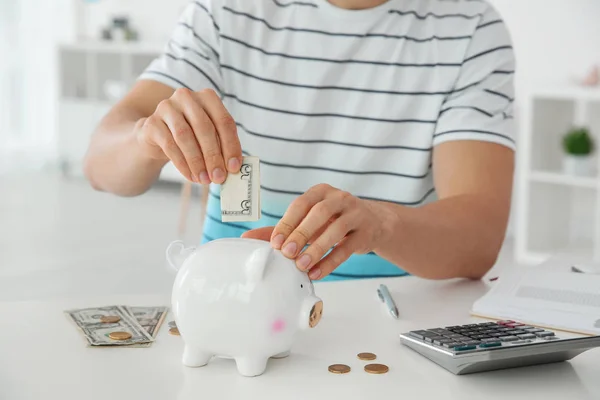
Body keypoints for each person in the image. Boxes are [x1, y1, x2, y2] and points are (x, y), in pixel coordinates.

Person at [84, 0, 516, 282]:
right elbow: (100, 166)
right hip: (232, 296)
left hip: (390, 311)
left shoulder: (471, 28)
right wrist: (147, 137)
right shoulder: (225, 11)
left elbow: (479, 238)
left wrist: (381, 224)